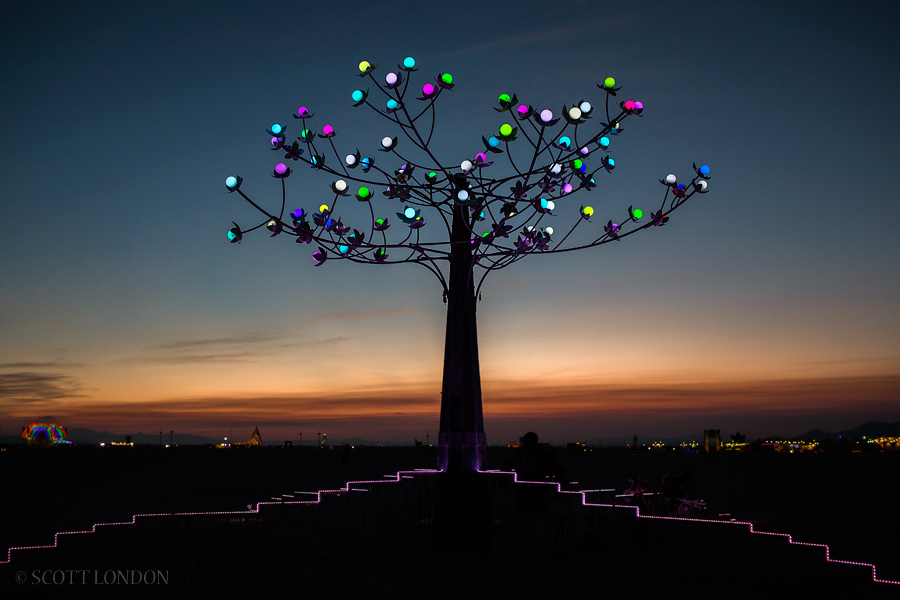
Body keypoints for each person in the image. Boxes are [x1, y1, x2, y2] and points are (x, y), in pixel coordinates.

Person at [502, 432, 568, 484]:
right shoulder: (540, 454)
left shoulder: (518, 453)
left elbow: (505, 467)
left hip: (523, 485)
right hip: (537, 486)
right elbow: (551, 468)